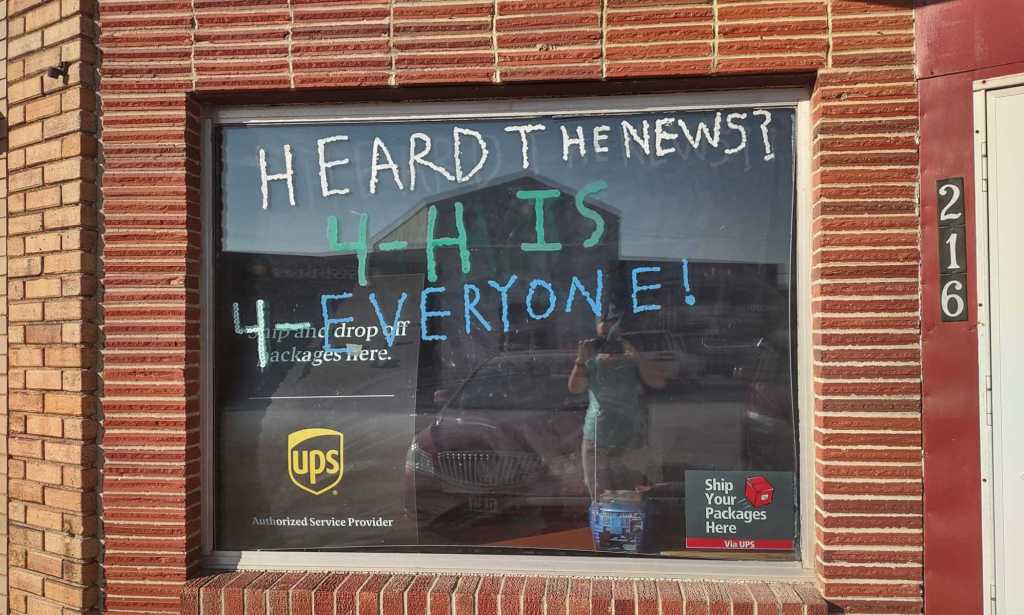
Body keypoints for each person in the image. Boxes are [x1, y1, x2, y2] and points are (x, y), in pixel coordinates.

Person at [568, 316, 666, 499]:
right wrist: (581, 359)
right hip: (597, 437)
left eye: (614, 338)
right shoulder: (592, 361)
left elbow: (658, 382)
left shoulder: (632, 360)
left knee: (631, 495)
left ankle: (629, 526)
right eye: (604, 337)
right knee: (599, 497)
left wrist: (635, 355)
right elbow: (575, 388)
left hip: (630, 438)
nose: (610, 345)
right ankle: (603, 526)